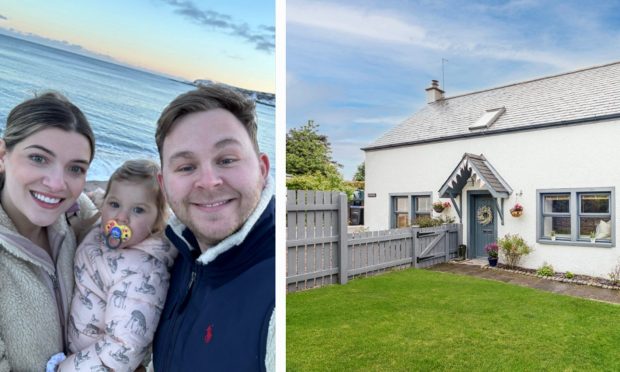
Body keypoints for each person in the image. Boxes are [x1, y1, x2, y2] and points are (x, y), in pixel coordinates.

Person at [152, 85, 275, 371]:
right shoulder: (175, 256)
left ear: (262, 168)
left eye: (227, 160)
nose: (208, 181)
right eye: (185, 167)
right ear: (163, 185)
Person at [0, 92, 99, 371]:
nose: (57, 184)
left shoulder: (75, 215)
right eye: (38, 158)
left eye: (75, 168)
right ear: (2, 156)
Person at [54, 159, 176, 371]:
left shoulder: (144, 272)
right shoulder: (102, 232)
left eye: (138, 210)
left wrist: (65, 368)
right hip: (77, 350)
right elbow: (99, 201)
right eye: (114, 204)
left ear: (158, 219)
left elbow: (124, 348)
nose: (121, 217)